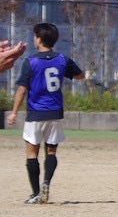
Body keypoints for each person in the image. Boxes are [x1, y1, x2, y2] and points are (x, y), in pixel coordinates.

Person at [8, 22, 85, 205]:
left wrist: (13, 113)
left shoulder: (31, 62)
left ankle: (36, 193)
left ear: (39, 39)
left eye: (35, 36)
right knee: (51, 151)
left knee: (31, 153)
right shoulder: (62, 60)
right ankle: (47, 183)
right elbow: (80, 75)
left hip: (36, 113)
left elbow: (22, 90)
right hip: (55, 112)